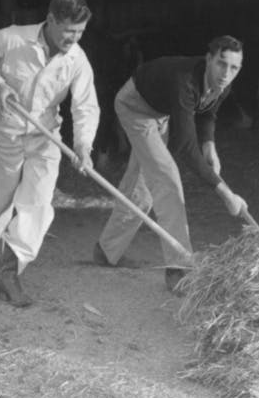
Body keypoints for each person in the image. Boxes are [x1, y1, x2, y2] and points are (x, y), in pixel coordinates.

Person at [0, 0, 100, 307]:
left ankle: (11, 272)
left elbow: (85, 106)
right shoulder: (14, 38)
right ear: (50, 20)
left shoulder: (76, 59)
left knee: (37, 203)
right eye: (68, 32)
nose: (74, 39)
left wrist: (83, 147)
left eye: (80, 32)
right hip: (4, 135)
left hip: (45, 137)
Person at [93, 35, 249, 287]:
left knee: (141, 189)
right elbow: (185, 147)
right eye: (221, 63)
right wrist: (226, 193)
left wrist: (209, 145)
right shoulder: (185, 81)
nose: (226, 73)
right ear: (208, 59)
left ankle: (106, 250)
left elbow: (209, 110)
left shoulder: (224, 82)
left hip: (160, 112)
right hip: (135, 106)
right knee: (168, 180)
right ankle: (179, 269)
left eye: (234, 68)